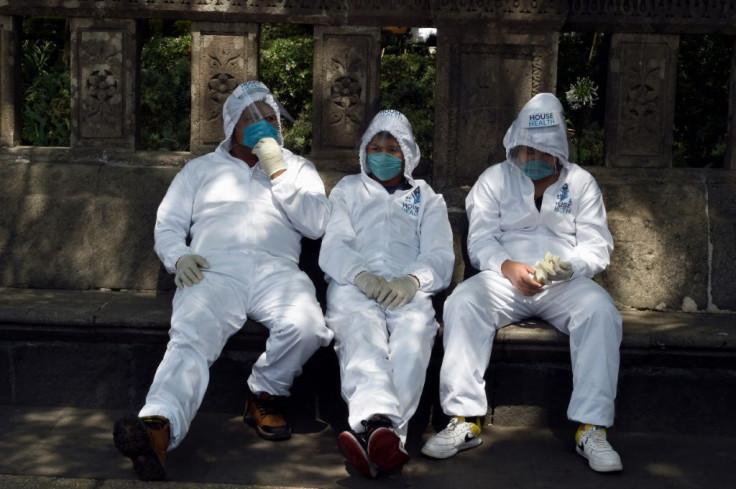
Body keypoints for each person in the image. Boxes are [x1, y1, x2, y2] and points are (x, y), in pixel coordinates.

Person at [113, 81, 334, 481]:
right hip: (212, 270)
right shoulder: (199, 170)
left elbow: (317, 225)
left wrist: (278, 171)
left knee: (308, 327)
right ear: (232, 125)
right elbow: (169, 224)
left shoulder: (298, 168)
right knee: (191, 334)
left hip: (278, 270)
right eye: (251, 119)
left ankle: (264, 393)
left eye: (269, 118)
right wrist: (178, 258)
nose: (263, 125)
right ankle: (157, 427)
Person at [421, 93, 623, 473]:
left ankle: (592, 428)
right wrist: (505, 265)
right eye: (525, 150)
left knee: (601, 311)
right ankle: (465, 419)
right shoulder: (494, 179)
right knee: (463, 302)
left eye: (541, 152)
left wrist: (571, 267)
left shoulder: (581, 184)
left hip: (564, 284)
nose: (531, 159)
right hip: (505, 279)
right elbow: (480, 239)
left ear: (559, 149)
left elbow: (597, 245)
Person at [319, 110, 455, 478]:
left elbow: (440, 253)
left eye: (392, 148)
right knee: (361, 334)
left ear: (407, 153)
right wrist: (359, 275)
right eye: (374, 147)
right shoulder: (347, 190)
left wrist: (413, 280)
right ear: (363, 151)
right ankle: (386, 434)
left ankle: (371, 433)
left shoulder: (427, 197)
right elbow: (335, 244)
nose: (382, 154)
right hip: (354, 286)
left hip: (407, 289)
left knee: (414, 337)